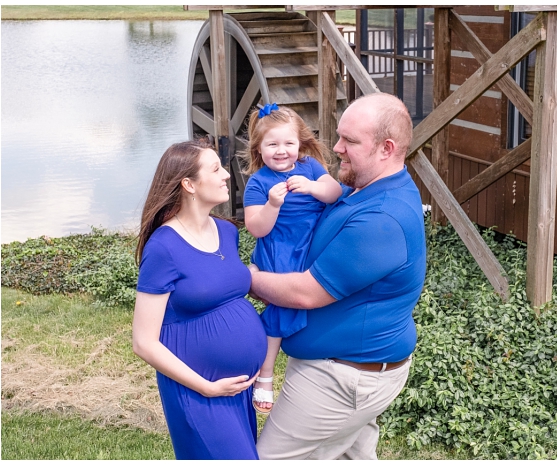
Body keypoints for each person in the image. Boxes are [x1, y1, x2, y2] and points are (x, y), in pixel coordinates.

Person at [249, 92, 426, 460]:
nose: (337, 147)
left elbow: (305, 294)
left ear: (386, 148)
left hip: (342, 380)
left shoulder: (383, 219)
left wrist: (246, 278)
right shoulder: (367, 188)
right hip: (346, 370)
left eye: (350, 141)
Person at [133, 140, 267, 459]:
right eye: (215, 169)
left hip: (236, 389)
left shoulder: (226, 231)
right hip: (198, 390)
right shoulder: (163, 247)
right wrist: (206, 387)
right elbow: (143, 342)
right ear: (189, 184)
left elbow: (221, 282)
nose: (226, 175)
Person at [241, 103, 343, 413]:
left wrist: (313, 187)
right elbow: (256, 228)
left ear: (300, 143)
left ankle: (287, 363)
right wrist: (272, 205)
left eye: (288, 143)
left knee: (320, 292)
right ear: (259, 148)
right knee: (285, 301)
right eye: (272, 144)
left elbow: (335, 192)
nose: (281, 151)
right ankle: (266, 374)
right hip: (280, 247)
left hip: (310, 244)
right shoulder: (258, 183)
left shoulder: (311, 166)